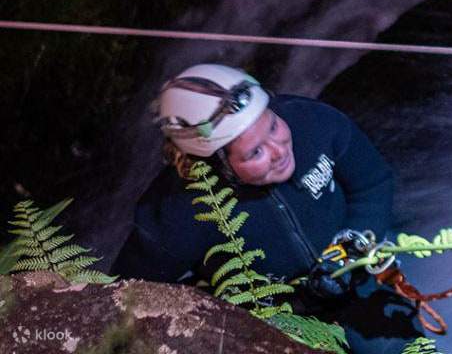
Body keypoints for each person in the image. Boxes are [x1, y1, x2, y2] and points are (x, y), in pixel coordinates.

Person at [111, 63, 423, 353]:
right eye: (255, 152)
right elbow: (128, 290)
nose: (279, 150)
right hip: (274, 317)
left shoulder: (314, 123)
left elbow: (372, 183)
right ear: (220, 164)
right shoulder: (179, 211)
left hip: (357, 280)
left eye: (273, 125)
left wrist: (351, 242)